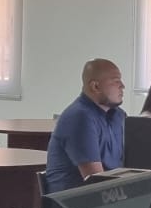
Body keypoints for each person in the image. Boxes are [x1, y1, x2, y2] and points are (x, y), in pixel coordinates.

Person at [45, 59, 127, 193]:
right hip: (74, 200)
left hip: (106, 194)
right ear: (95, 87)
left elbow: (129, 165)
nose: (122, 86)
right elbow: (96, 181)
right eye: (116, 81)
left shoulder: (118, 115)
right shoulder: (80, 117)